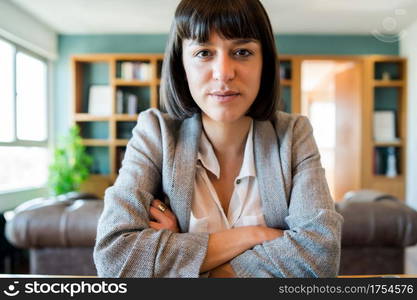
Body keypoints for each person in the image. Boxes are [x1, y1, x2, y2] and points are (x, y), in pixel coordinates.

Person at [93, 0, 343, 278]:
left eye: (242, 51)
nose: (224, 72)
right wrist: (255, 235)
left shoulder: (294, 134)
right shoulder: (155, 133)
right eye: (203, 53)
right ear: (181, 65)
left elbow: (321, 258)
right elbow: (115, 259)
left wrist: (187, 262)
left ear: (265, 63)